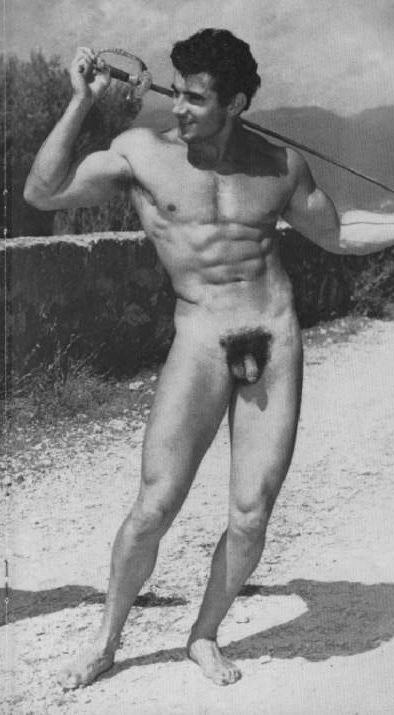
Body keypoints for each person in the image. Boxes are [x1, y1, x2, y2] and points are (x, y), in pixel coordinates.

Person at [24, 28, 394, 689]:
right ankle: (106, 639)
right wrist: (80, 101)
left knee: (250, 512)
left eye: (196, 99)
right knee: (154, 505)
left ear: (237, 103)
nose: (179, 108)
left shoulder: (280, 166)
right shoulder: (143, 153)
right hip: (199, 339)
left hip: (271, 338)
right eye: (179, 93)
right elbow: (43, 192)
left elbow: (339, 233)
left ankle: (203, 633)